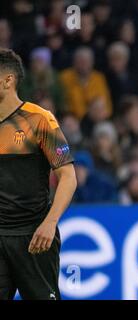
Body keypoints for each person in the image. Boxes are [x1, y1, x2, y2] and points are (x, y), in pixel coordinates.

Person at [0, 48, 77, 300]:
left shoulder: (38, 120)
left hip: (35, 237)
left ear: (8, 80)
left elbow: (68, 176)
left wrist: (50, 222)